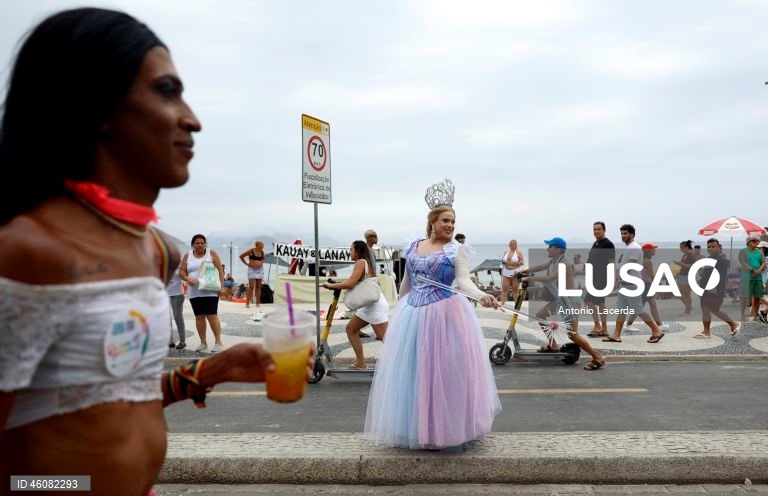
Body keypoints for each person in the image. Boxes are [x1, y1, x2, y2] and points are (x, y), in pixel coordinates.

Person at [0, 8, 312, 494]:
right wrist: (68, 487)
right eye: (167, 92)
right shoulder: (28, 253)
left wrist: (218, 369)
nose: (194, 119)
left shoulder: (156, 251)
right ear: (97, 107)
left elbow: (124, 399)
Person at [365, 178, 501, 450]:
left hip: (446, 314)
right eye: (445, 221)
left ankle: (446, 430)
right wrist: (396, 315)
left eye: (453, 221)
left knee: (445, 374)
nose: (450, 226)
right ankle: (419, 429)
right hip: (413, 314)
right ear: (432, 222)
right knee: (416, 372)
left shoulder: (456, 250)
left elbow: (464, 281)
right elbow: (407, 283)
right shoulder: (414, 246)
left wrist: (483, 296)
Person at [523, 237, 605, 371]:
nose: (547, 249)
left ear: (558, 249)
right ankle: (553, 344)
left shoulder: (565, 264)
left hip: (571, 300)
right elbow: (538, 267)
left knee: (572, 334)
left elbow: (549, 278)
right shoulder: (553, 262)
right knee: (540, 316)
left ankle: (597, 357)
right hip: (561, 299)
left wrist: (528, 278)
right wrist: (519, 272)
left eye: (550, 246)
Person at [323, 241, 389, 369]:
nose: (349, 252)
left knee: (386, 339)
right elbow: (354, 281)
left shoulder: (360, 262)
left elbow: (350, 284)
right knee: (351, 329)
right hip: (370, 305)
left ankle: (404, 363)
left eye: (351, 250)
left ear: (358, 251)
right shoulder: (366, 263)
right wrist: (336, 283)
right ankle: (360, 362)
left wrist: (331, 286)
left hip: (374, 307)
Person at [602, 224, 664, 344]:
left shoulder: (634, 248)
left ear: (632, 234)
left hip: (632, 285)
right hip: (625, 285)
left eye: (626, 233)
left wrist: (618, 279)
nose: (623, 236)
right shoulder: (630, 248)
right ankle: (616, 335)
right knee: (621, 310)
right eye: (622, 233)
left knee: (638, 309)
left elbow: (630, 265)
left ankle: (656, 330)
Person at [180, 234, 226, 353]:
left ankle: (218, 342)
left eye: (202, 243)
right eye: (197, 243)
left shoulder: (211, 253)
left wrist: (222, 287)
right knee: (199, 317)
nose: (200, 245)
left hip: (210, 290)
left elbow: (220, 271)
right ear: (193, 245)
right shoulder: (188, 255)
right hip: (194, 292)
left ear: (205, 244)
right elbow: (182, 272)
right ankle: (203, 342)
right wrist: (187, 278)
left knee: (212, 316)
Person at [693, 239, 740, 338]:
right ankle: (706, 331)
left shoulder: (721, 259)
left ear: (719, 247)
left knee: (714, 309)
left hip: (714, 289)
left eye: (713, 246)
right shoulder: (710, 258)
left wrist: (714, 286)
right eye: (709, 246)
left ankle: (733, 324)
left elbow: (721, 275)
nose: (710, 248)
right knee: (705, 308)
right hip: (705, 289)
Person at [623, 243, 669, 333]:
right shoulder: (647, 261)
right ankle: (628, 324)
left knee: (652, 305)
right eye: (653, 249)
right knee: (640, 307)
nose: (654, 250)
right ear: (648, 251)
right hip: (646, 285)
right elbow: (652, 276)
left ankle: (659, 325)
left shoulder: (640, 260)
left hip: (642, 284)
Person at [584, 222, 615, 338]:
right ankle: (604, 329)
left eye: (598, 229)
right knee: (601, 303)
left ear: (604, 230)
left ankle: (597, 325)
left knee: (587, 300)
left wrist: (612, 279)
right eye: (594, 230)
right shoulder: (596, 243)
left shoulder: (608, 244)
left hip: (602, 278)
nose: (596, 231)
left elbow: (612, 262)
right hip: (594, 277)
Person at [741, 234, 767, 321]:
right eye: (754, 241)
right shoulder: (743, 251)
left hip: (758, 278)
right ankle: (742, 315)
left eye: (757, 241)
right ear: (748, 242)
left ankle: (755, 315)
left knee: (757, 297)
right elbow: (743, 263)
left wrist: (758, 271)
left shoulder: (760, 252)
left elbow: (763, 263)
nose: (756, 242)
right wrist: (752, 270)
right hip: (747, 277)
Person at [166, 262, 187, 349]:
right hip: (164, 294)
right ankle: (169, 341)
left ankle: (182, 341)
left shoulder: (179, 263)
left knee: (178, 317)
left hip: (177, 294)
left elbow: (185, 275)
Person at [239, 240, 265, 308]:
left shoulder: (262, 252)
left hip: (260, 270)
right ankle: (247, 303)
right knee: (251, 286)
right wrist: (246, 263)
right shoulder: (250, 251)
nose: (261, 248)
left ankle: (257, 303)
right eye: (260, 247)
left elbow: (264, 258)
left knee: (259, 286)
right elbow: (241, 256)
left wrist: (261, 262)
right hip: (252, 269)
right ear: (256, 246)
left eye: (262, 247)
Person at [673, 240, 696, 316]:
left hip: (687, 276)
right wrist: (679, 264)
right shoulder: (685, 254)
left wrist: (680, 263)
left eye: (682, 248)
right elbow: (684, 265)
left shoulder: (691, 254)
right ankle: (689, 307)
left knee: (687, 294)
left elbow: (693, 265)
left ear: (686, 247)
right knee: (677, 293)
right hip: (681, 275)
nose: (681, 249)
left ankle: (687, 311)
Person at [498, 239, 525, 304]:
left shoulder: (519, 253)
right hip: (506, 272)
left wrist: (514, 264)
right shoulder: (505, 252)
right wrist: (510, 264)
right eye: (511, 243)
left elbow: (522, 262)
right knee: (504, 290)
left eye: (514, 243)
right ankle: (502, 305)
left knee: (515, 290)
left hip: (515, 273)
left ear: (516, 245)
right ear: (509, 244)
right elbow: (503, 262)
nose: (512, 244)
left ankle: (517, 305)